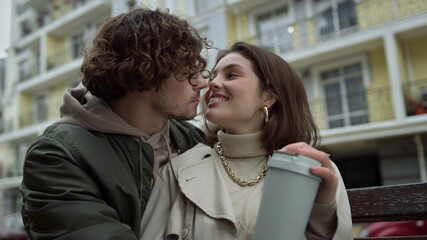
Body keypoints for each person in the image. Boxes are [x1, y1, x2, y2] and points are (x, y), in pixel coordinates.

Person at [20, 8, 211, 239]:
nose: (202, 83)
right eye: (188, 72)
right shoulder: (57, 155)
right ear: (145, 77)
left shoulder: (193, 140)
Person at [140, 42, 353, 239]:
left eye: (231, 75)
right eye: (213, 76)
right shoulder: (178, 170)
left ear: (268, 97)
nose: (212, 83)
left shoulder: (312, 172)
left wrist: (322, 210)